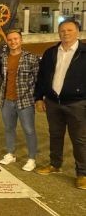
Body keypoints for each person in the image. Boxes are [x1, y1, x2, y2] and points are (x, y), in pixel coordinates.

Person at [34, 19, 86, 190]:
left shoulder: (84, 52)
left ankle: (82, 173)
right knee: (55, 135)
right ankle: (55, 164)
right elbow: (41, 77)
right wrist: (39, 98)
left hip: (77, 103)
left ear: (77, 31)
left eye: (69, 30)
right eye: (62, 30)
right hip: (53, 102)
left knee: (79, 139)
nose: (66, 33)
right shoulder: (50, 53)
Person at [0, 30, 39, 172]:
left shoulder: (31, 58)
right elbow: (0, 79)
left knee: (29, 130)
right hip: (7, 101)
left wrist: (33, 97)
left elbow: (37, 80)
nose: (13, 42)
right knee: (9, 128)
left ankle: (32, 158)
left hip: (25, 101)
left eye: (15, 39)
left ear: (21, 40)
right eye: (10, 40)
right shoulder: (3, 58)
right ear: (7, 42)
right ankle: (10, 153)